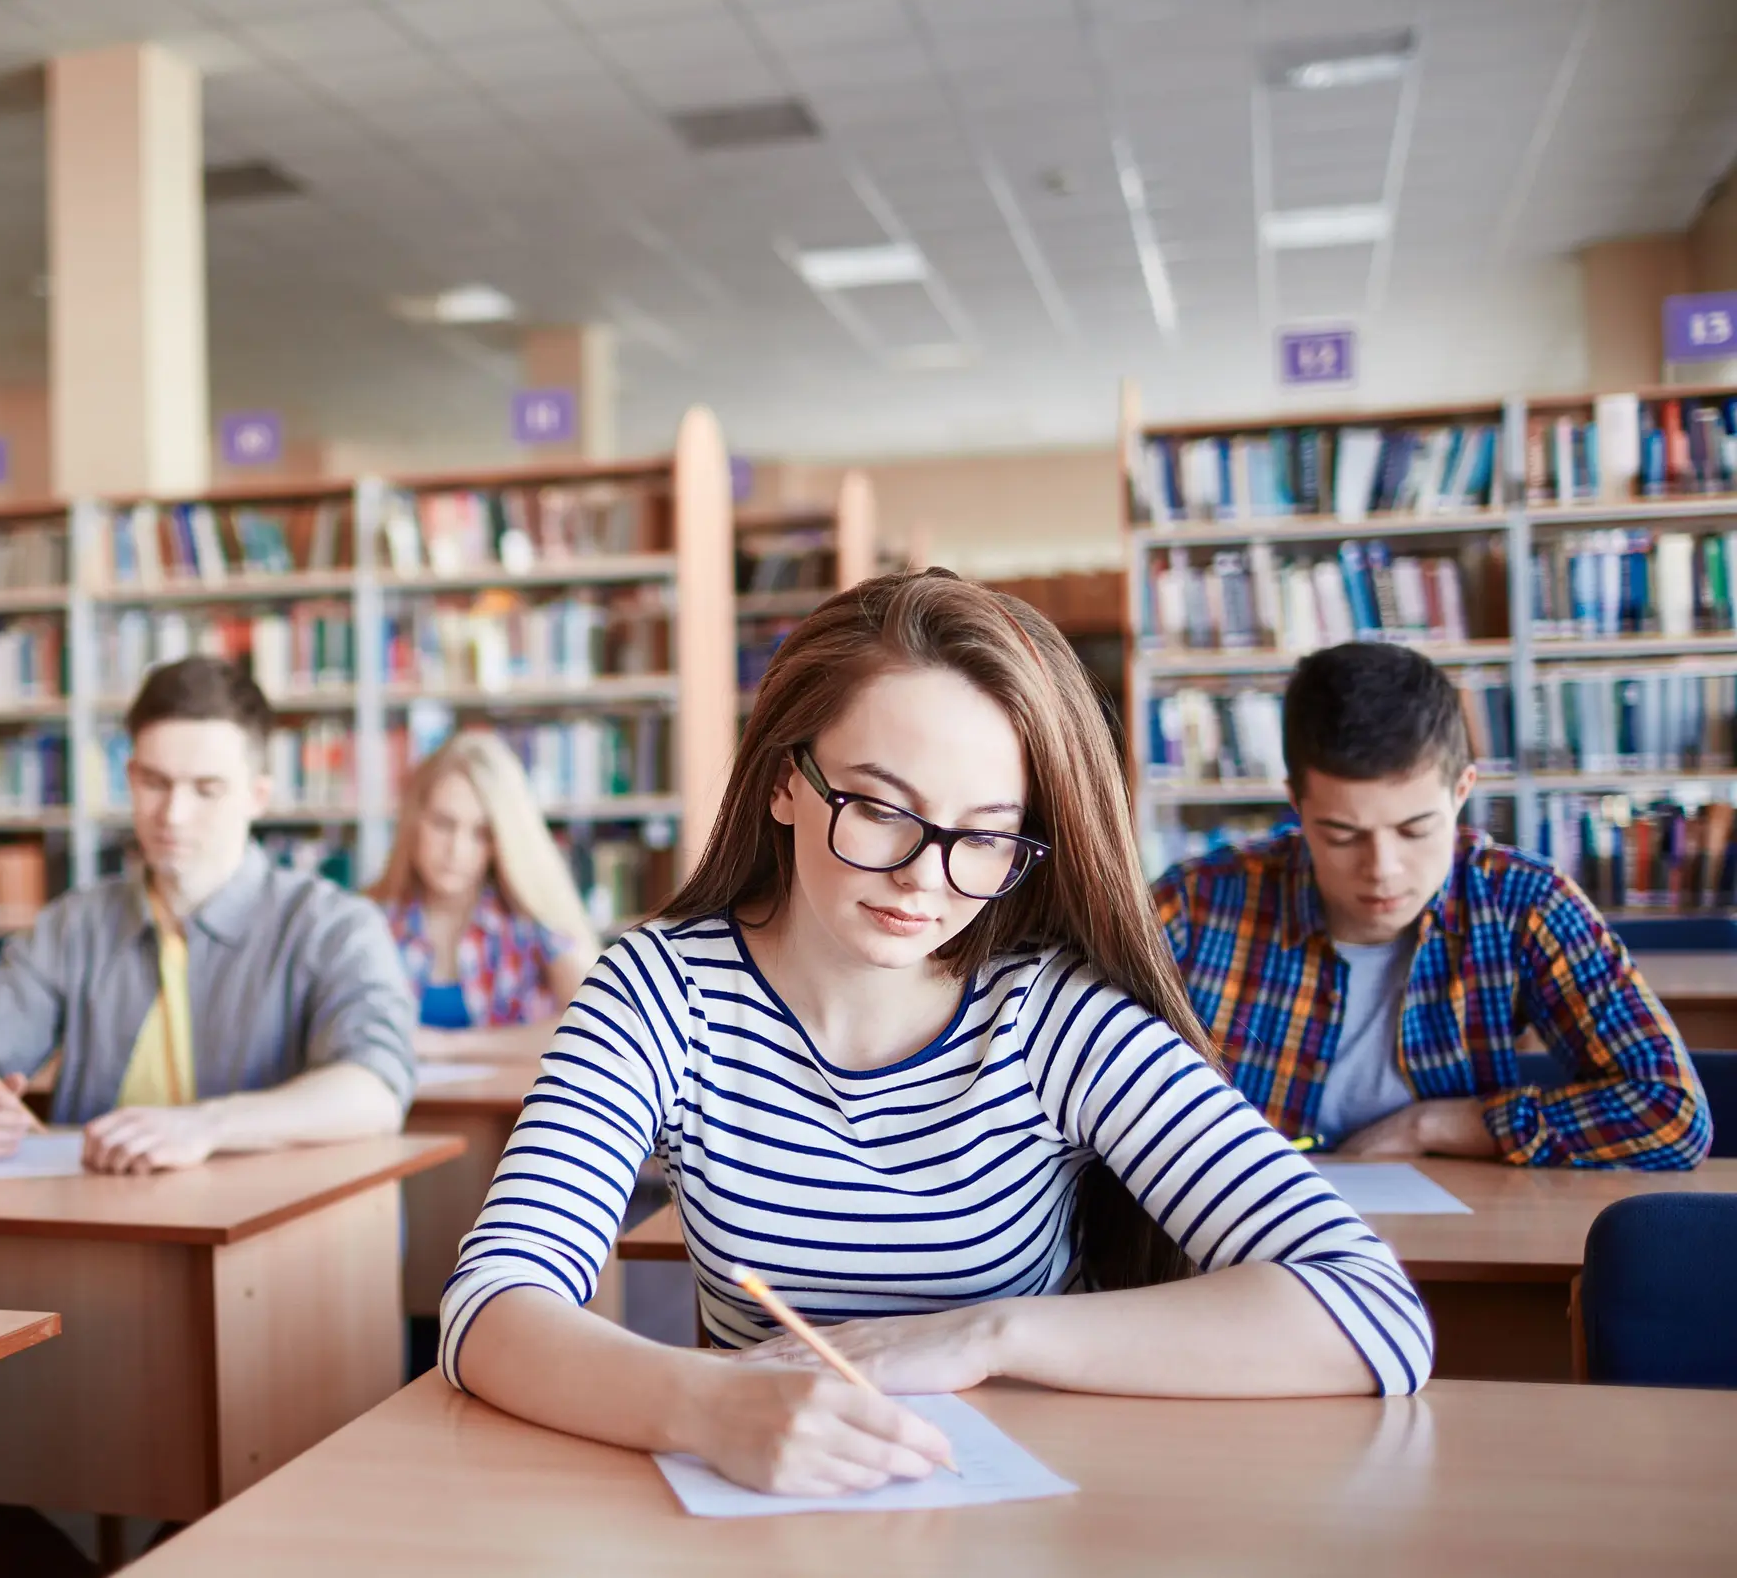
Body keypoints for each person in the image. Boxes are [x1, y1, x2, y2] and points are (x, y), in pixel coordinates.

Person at [440, 571, 1431, 1498]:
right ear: (786, 781)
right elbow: (493, 1301)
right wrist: (704, 1402)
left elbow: (1369, 1312)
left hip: (1012, 1511)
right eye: (879, 807)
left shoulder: (1055, 1018)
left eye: (985, 833)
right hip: (758, 1510)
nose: (925, 876)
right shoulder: (659, 992)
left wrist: (983, 1335)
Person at [1154, 641, 1709, 1167]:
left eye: (1416, 829)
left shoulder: (1523, 903)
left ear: (1462, 791)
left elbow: (1672, 1113)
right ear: (1296, 804)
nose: (1383, 868)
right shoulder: (1196, 904)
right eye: (1343, 835)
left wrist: (1431, 1126)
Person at [0, 656, 416, 1173]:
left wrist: (207, 1125)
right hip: (99, 1222)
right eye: (155, 783)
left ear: (258, 796)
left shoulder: (336, 926)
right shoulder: (72, 926)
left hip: (267, 1233)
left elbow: (375, 1089)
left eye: (206, 789)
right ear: (129, 776)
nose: (174, 815)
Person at [368, 732, 600, 1060]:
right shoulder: (370, 922)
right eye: (443, 824)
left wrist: (450, 1046)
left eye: (481, 833)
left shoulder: (532, 921)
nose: (456, 850)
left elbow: (597, 1024)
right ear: (414, 821)